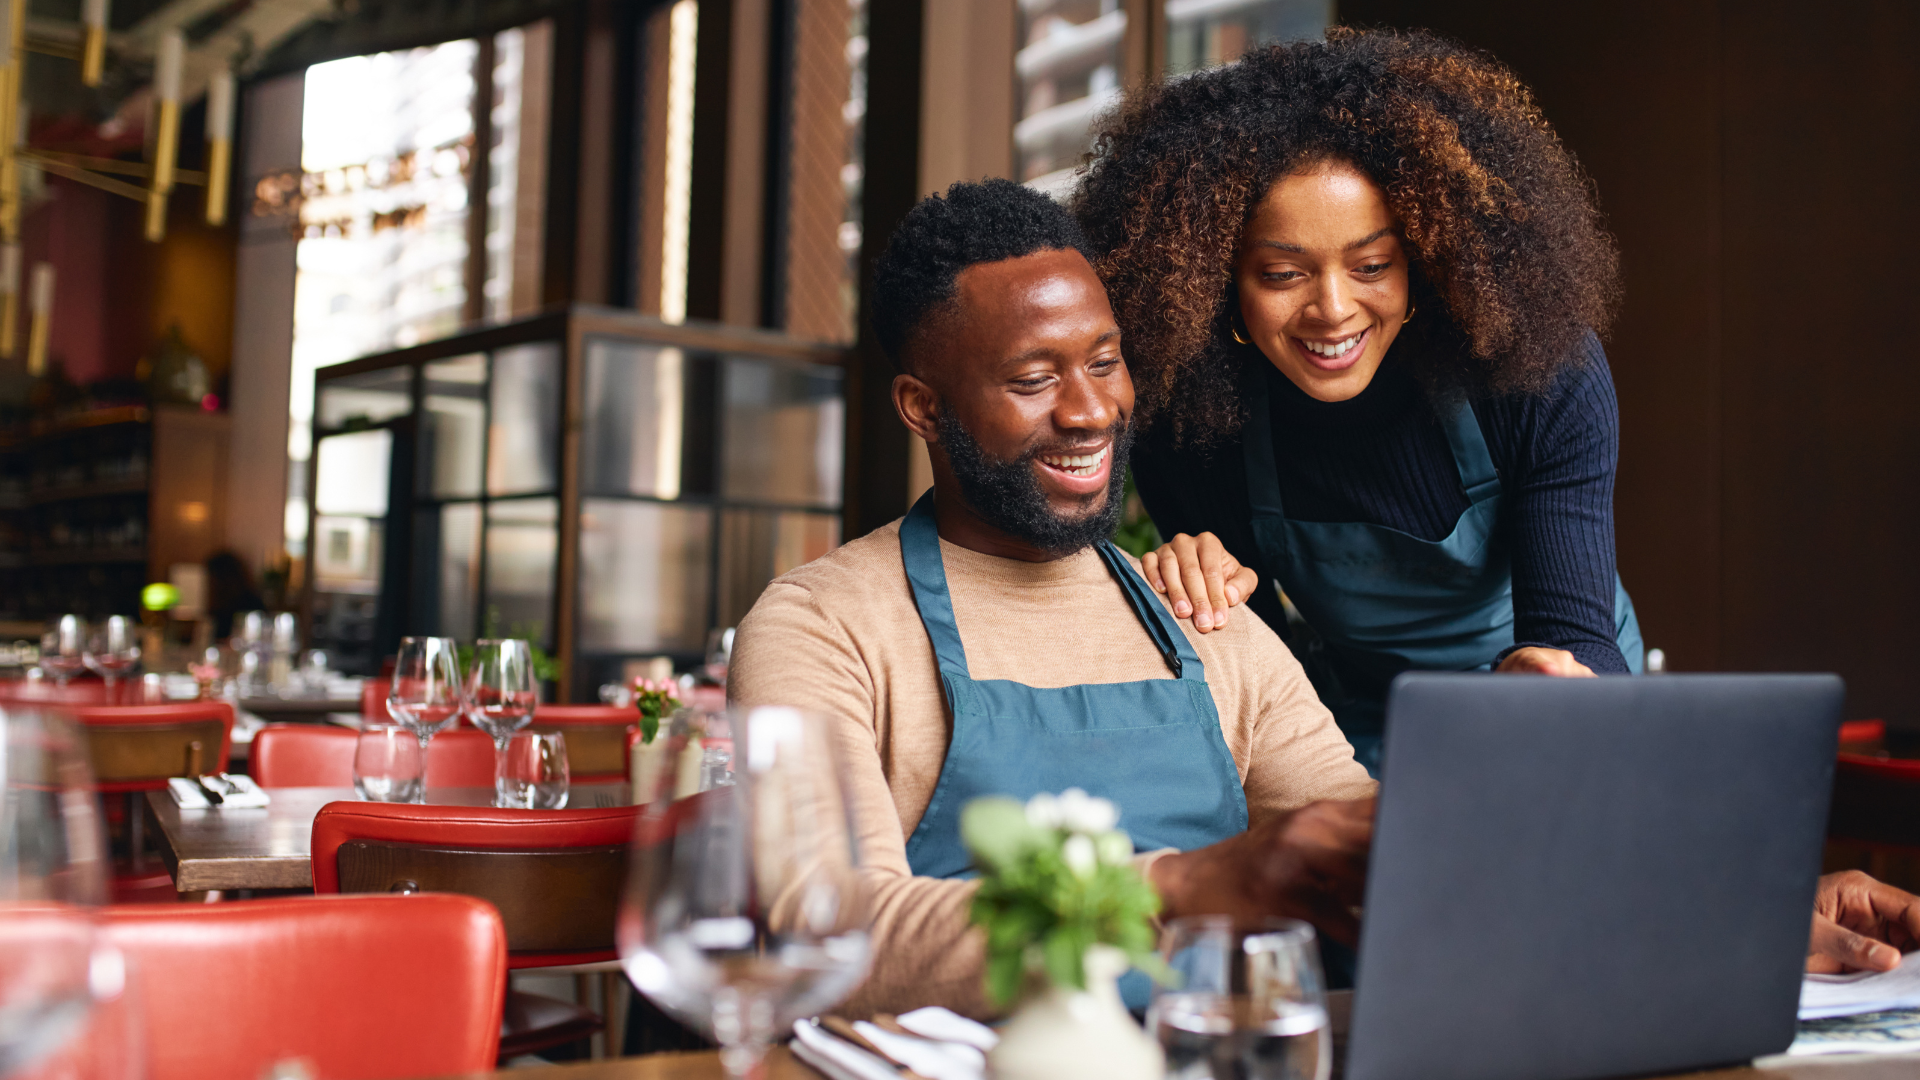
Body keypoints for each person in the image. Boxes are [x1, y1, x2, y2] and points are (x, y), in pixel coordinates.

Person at [728, 179, 1920, 1019]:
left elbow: (1412, 867)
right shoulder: (824, 624)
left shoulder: (1201, 616)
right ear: (922, 407)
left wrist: (1733, 912)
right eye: (1034, 380)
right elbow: (828, 928)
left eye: (1104, 363)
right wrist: (1194, 885)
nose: (1091, 413)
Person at [1074, 30, 1641, 772]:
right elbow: (1264, 680)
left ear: (1425, 258)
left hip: (1555, 706)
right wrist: (1200, 595)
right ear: (1217, 286)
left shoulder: (1536, 371)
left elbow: (1577, 633)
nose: (1334, 310)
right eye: (1283, 274)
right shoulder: (1190, 421)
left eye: (1372, 264)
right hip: (1360, 726)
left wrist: (1555, 682)